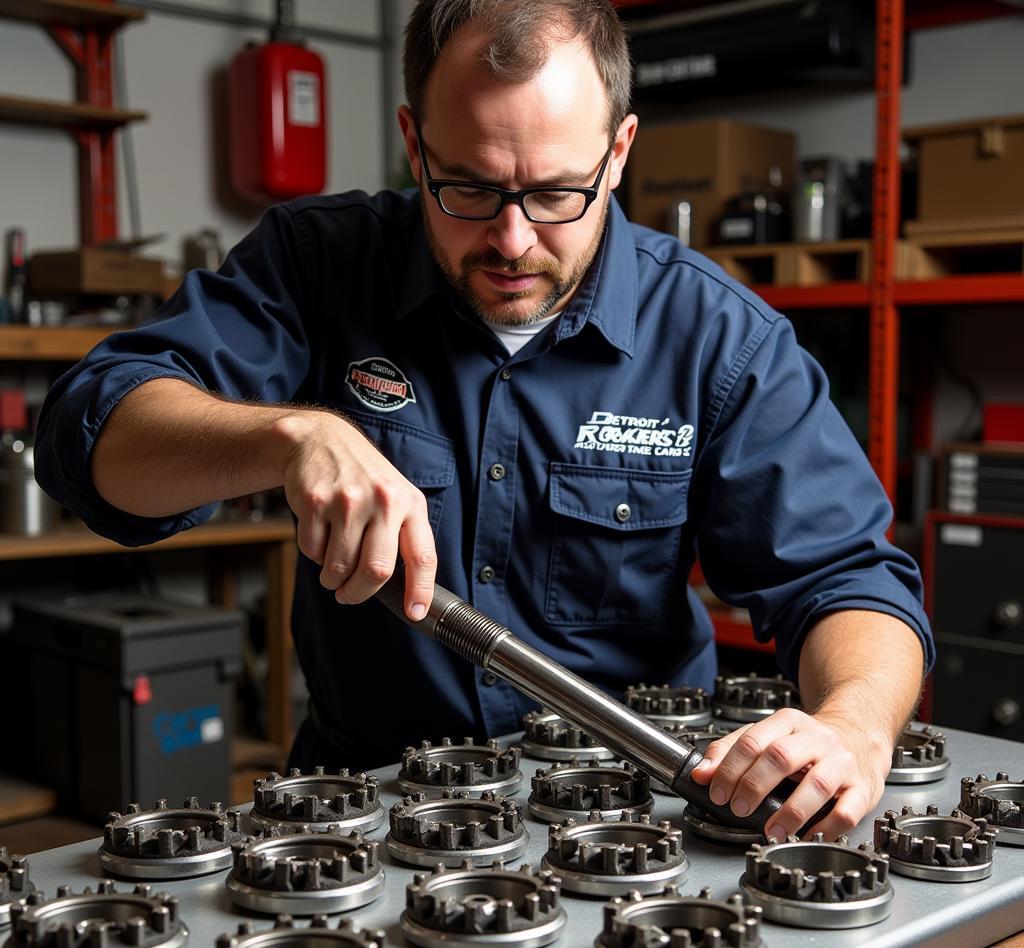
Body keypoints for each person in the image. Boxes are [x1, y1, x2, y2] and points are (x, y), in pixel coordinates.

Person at [35, 0, 933, 843]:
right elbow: (93, 435)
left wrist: (852, 722)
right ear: (412, 143)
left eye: (554, 194)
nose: (510, 240)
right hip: (368, 808)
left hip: (637, 812)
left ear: (618, 153)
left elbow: (849, 577)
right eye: (466, 188)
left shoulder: (715, 337)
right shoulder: (319, 266)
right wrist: (289, 435)